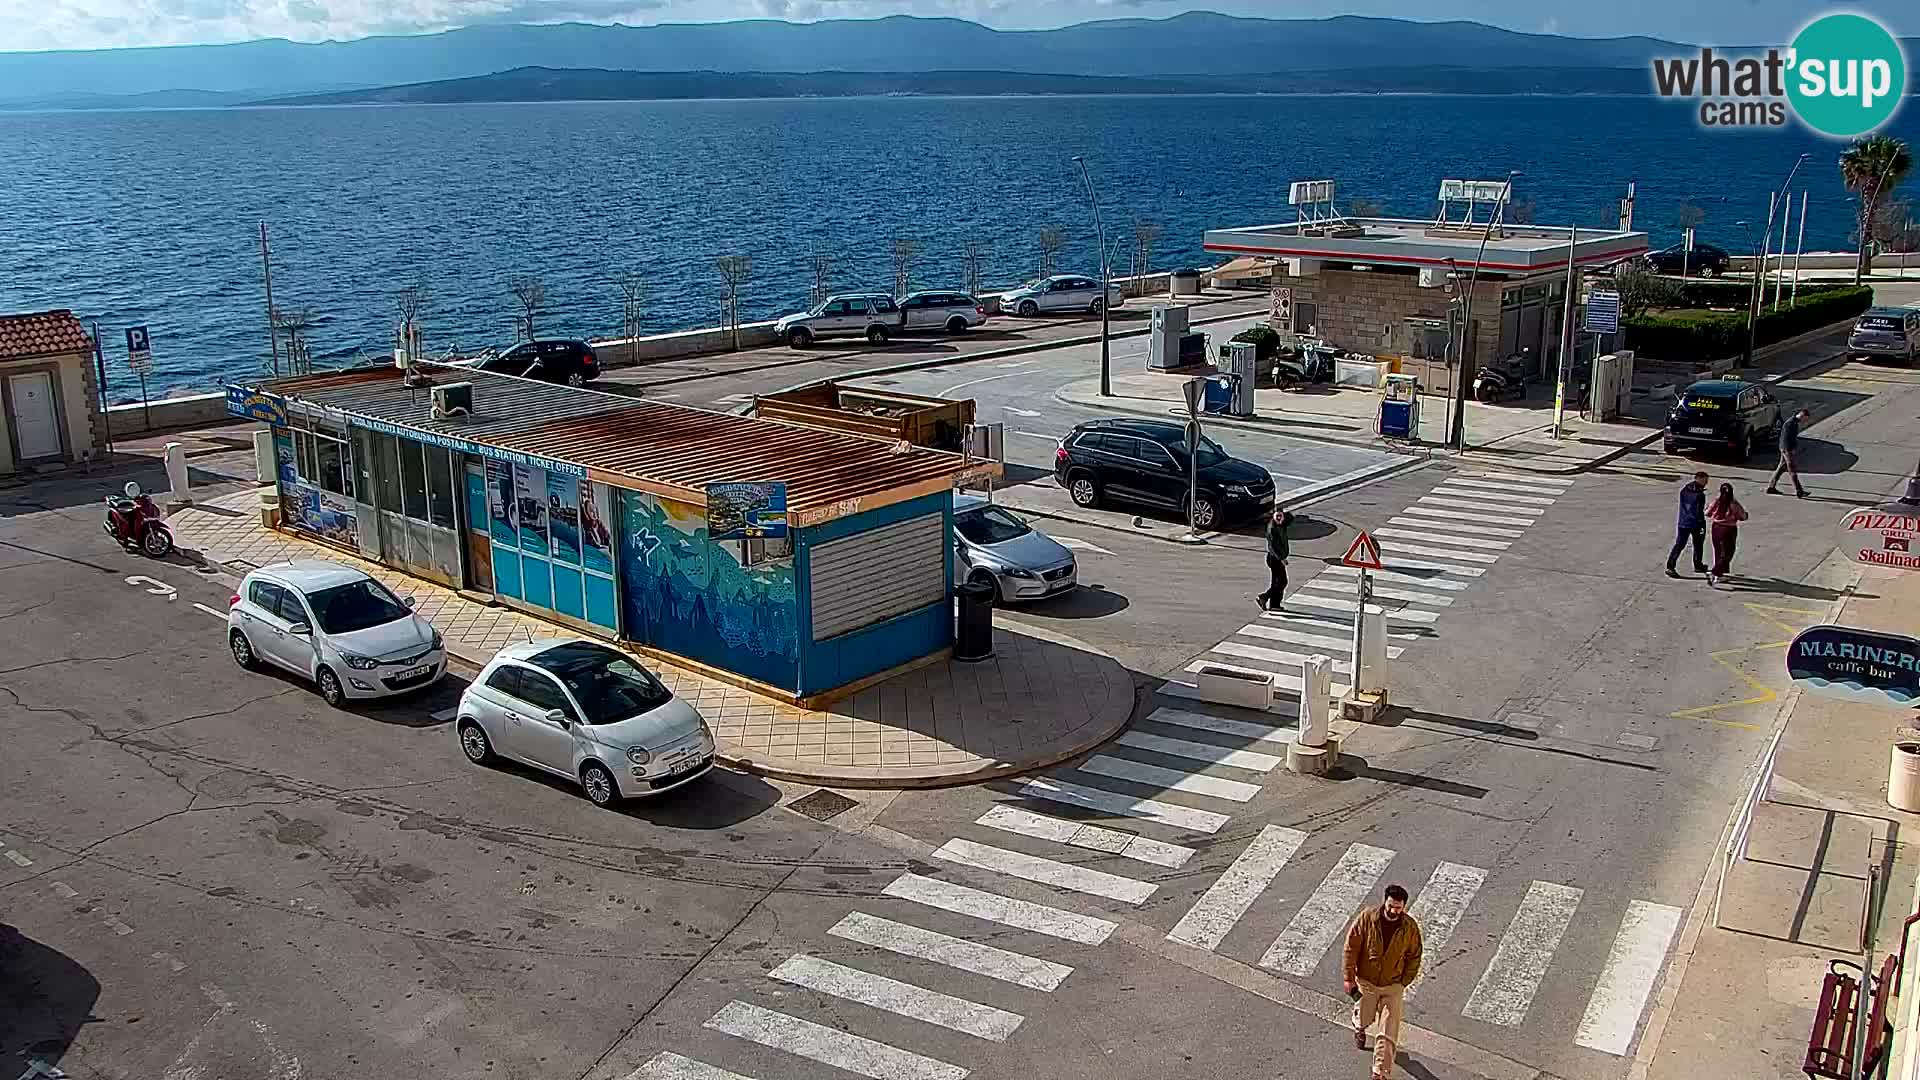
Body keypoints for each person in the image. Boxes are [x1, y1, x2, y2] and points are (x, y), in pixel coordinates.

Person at [1345, 883, 1424, 1080]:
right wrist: (1348, 978)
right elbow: (1351, 947)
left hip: (1393, 985)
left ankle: (1380, 1072)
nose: (1393, 911)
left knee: (1388, 1030)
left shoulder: (1409, 928)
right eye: (1390, 906)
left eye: (1398, 908)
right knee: (1364, 1017)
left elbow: (1414, 956)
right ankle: (1359, 1026)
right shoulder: (1367, 918)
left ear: (1404, 907)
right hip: (1367, 982)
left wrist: (1403, 982)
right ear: (1385, 902)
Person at [1666, 471, 1710, 579]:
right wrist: (1702, 524)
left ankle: (1670, 566)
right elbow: (1699, 512)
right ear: (1700, 479)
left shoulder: (1684, 491)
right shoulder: (1700, 495)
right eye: (1705, 480)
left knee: (1679, 544)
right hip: (1696, 524)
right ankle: (1697, 564)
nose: (1706, 483)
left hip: (1683, 522)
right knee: (1698, 544)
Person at [1706, 482, 1749, 585]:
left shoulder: (1717, 501)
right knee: (1728, 553)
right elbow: (1742, 516)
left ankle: (1719, 574)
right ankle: (1716, 572)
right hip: (1728, 529)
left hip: (1716, 528)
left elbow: (1707, 513)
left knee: (1718, 550)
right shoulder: (1733, 503)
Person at [1768, 408, 1811, 498]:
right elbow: (1785, 438)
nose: (1805, 421)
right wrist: (1790, 450)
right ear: (1802, 415)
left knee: (1781, 468)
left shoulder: (1794, 422)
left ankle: (1771, 487)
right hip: (1786, 449)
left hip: (1785, 448)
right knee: (1792, 469)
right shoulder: (1790, 423)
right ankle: (1799, 491)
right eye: (1805, 419)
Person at [1257, 509, 1290, 610]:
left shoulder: (1281, 525)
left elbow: (1291, 518)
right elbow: (1273, 547)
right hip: (1275, 559)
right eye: (1277, 517)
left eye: (1281, 516)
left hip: (1277, 558)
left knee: (1277, 582)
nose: (1279, 518)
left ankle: (1274, 605)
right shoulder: (1272, 528)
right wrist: (1281, 559)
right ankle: (1265, 597)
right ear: (1273, 517)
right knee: (1282, 582)